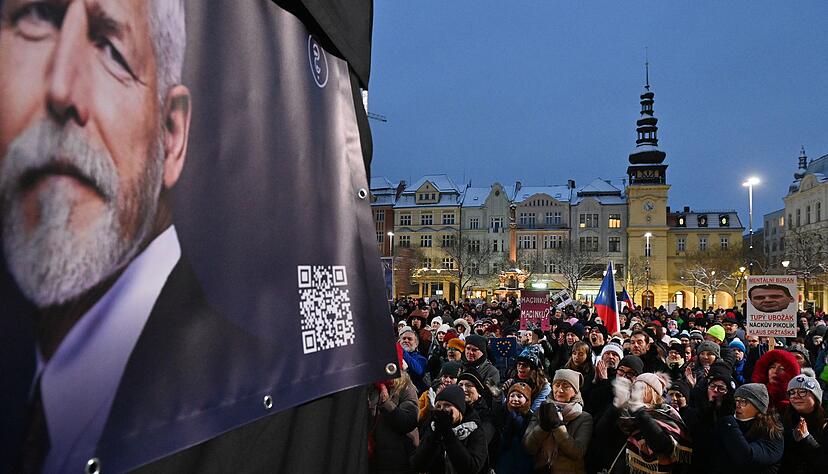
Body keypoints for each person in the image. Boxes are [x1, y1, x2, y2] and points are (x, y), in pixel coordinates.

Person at [523, 369, 593, 474]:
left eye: (566, 386)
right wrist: (543, 428)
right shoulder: (541, 411)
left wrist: (557, 427)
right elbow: (528, 447)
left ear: (575, 391)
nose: (560, 390)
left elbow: (577, 452)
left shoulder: (583, 418)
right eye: (557, 385)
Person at [410, 385, 489, 474]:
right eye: (438, 406)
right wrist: (435, 436)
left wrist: (448, 433)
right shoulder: (433, 426)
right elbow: (417, 464)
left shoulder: (475, 429)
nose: (443, 409)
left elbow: (471, 468)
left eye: (447, 405)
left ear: (459, 409)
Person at [713, 384, 784, 473]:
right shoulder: (729, 424)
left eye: (743, 401)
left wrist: (729, 423)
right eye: (736, 401)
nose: (738, 405)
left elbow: (746, 457)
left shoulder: (772, 433)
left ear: (758, 406)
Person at [369, 366, 419, 474]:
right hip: (372, 456)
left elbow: (409, 421)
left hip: (398, 458)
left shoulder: (405, 386)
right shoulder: (370, 386)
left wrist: (387, 403)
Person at [780, 375, 826, 473]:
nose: (795, 396)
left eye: (802, 392)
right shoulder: (782, 421)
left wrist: (806, 438)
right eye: (792, 393)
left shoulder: (825, 425)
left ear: (815, 396)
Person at [494, 381, 535, 474]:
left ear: (527, 399)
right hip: (504, 460)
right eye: (512, 396)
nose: (515, 399)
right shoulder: (503, 413)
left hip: (522, 461)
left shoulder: (531, 416)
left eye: (519, 396)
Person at [752, 350, 800, 414]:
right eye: (772, 367)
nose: (775, 371)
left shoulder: (796, 403)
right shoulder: (755, 398)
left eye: (782, 368)